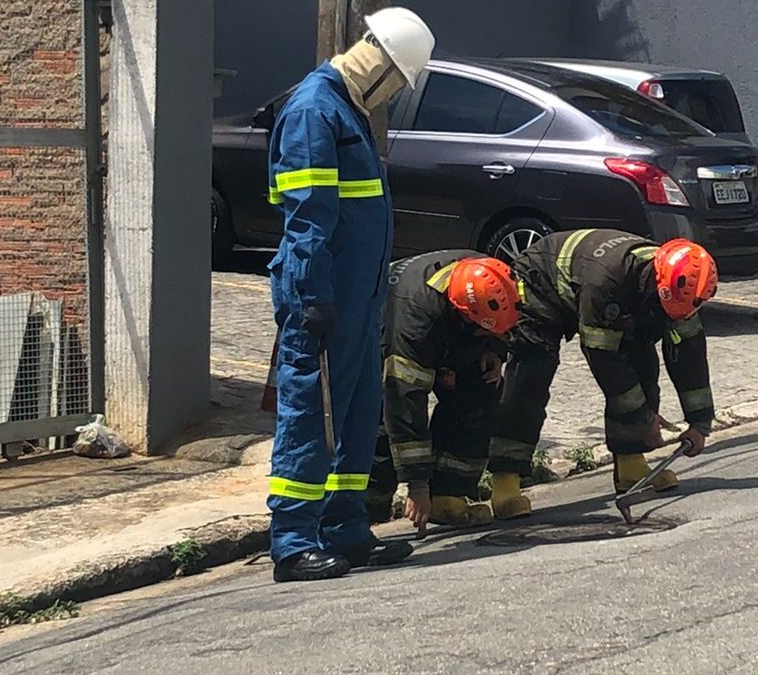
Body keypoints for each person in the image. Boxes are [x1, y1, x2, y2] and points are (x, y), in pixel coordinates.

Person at [265, 8, 435, 582]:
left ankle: (345, 530)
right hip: (323, 297)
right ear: (383, 66)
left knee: (359, 412)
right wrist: (311, 295)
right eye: (398, 84)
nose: (392, 96)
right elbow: (307, 216)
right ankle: (291, 542)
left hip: (356, 298)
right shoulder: (316, 110)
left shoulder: (346, 109)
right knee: (312, 414)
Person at [487, 230, 718, 519]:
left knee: (642, 363)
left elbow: (690, 356)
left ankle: (631, 467)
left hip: (599, 295)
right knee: (531, 375)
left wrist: (699, 422)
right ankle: (505, 482)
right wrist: (642, 418)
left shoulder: (687, 290)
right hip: (539, 288)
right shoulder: (608, 281)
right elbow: (605, 361)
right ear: (659, 283)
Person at [365, 251, 521, 529]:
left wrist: (494, 348)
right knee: (384, 423)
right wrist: (417, 486)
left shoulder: (490, 277)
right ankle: (367, 511)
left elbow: (509, 318)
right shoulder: (413, 325)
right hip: (380, 331)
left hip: (450, 331)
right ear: (465, 314)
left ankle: (448, 494)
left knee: (483, 387)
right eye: (484, 331)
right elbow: (404, 403)